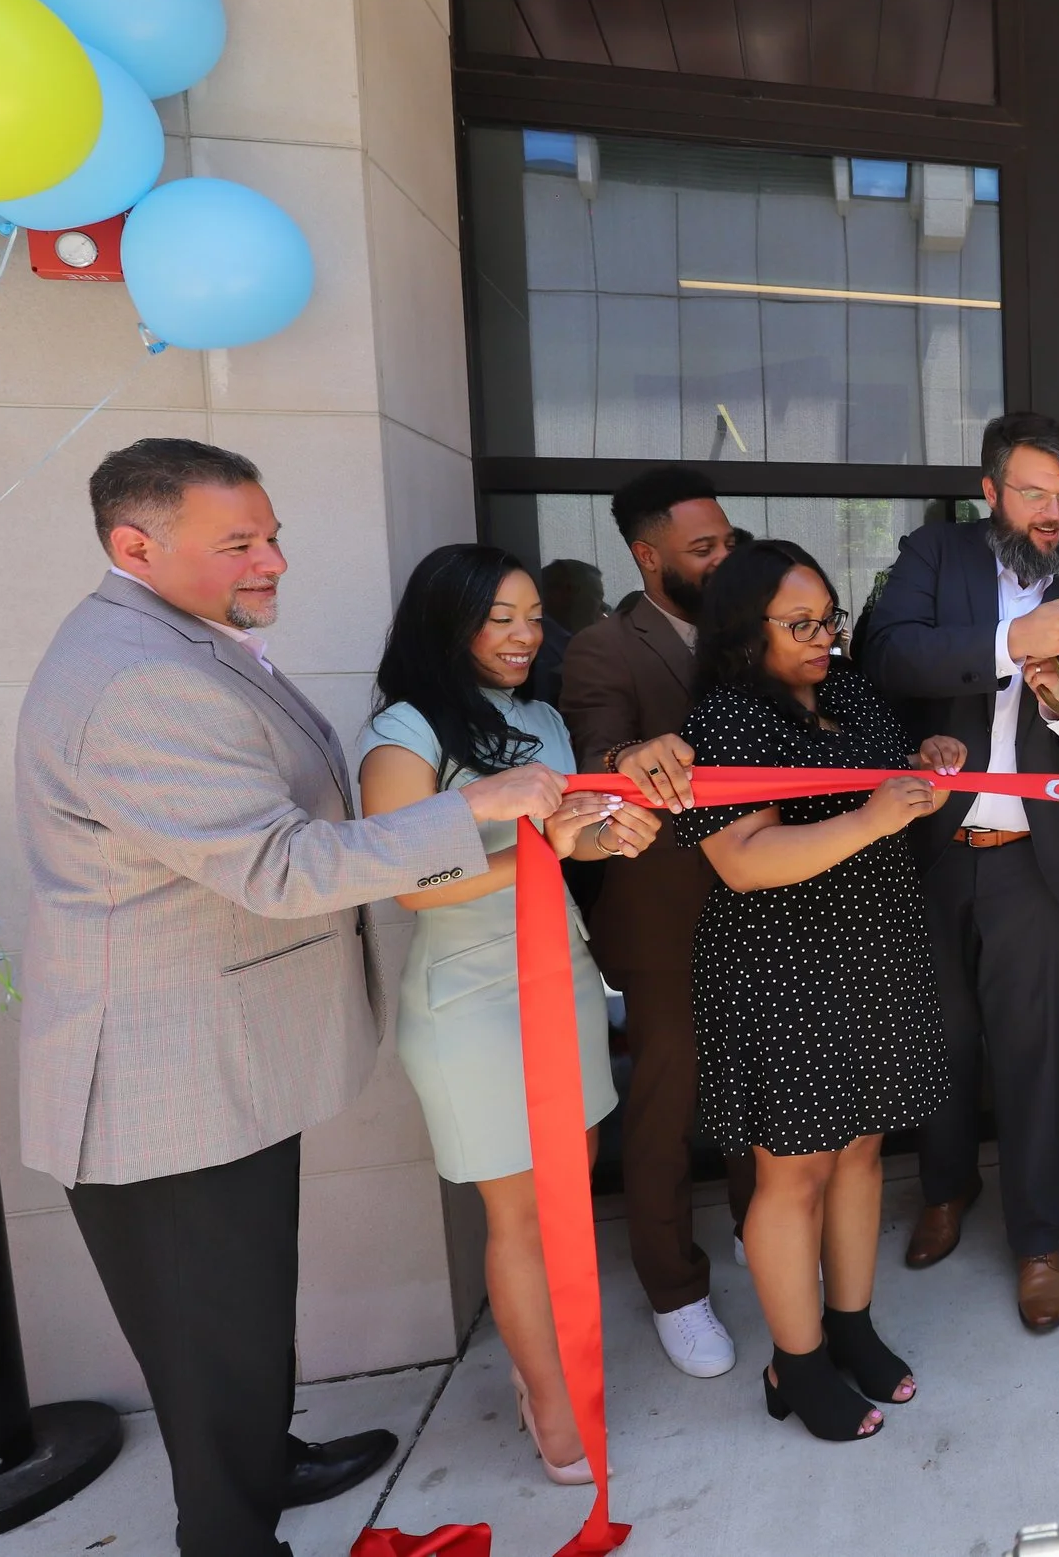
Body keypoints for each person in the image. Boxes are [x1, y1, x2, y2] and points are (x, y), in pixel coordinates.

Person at [17, 440, 566, 1557]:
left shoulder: (178, 636)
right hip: (164, 1073)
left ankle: (265, 1459)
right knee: (213, 1331)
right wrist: (479, 807)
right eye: (239, 543)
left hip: (220, 1055)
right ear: (136, 544)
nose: (272, 561)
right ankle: (232, 1531)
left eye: (272, 535)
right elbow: (277, 865)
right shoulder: (137, 678)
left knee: (248, 1304)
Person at [356, 545, 658, 1483]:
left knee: (572, 1185)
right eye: (502, 619)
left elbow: (568, 843)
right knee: (521, 1214)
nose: (527, 635)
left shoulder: (541, 716)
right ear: (449, 621)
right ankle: (551, 1398)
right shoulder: (404, 732)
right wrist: (547, 850)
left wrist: (612, 835)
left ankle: (559, 1363)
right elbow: (407, 884)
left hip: (562, 975)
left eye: (534, 616)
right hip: (470, 999)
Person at [676, 541, 963, 1442]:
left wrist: (924, 760)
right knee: (793, 1168)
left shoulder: (850, 692)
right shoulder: (725, 720)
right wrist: (873, 815)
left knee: (862, 1151)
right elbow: (742, 859)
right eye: (798, 624)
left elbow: (887, 779)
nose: (822, 638)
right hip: (780, 966)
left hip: (874, 949)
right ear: (742, 628)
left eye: (828, 619)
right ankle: (794, 1364)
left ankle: (851, 1326)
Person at [854, 412, 1059, 1329]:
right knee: (940, 1042)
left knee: (1031, 1055)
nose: (1052, 512)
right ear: (990, 492)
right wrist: (1012, 642)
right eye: (1033, 493)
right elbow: (887, 654)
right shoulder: (934, 557)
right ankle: (945, 1189)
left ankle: (1038, 1237)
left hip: (1038, 865)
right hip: (934, 850)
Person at [557, 466, 751, 1380]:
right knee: (666, 1104)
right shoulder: (604, 647)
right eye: (703, 548)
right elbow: (596, 751)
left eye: (729, 542)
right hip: (662, 910)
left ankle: (761, 1221)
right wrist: (634, 754)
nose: (724, 559)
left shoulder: (752, 629)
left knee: (760, 1075)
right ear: (647, 555)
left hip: (763, 897)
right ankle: (675, 1288)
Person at [527, 557, 607, 704]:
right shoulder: (536, 642)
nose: (603, 607)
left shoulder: (575, 637)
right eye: (597, 596)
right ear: (565, 594)